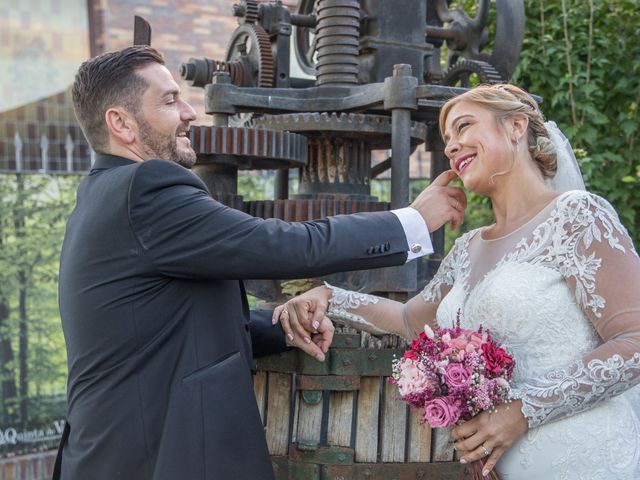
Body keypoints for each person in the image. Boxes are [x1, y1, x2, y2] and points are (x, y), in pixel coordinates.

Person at [55, 45, 466, 480]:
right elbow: (286, 246)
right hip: (155, 459)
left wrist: (283, 324)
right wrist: (413, 222)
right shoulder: (145, 188)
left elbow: (169, 327)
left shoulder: (102, 195)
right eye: (169, 100)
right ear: (120, 123)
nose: (190, 113)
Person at [276, 84, 640, 479]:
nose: (451, 147)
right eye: (447, 139)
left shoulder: (576, 216)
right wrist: (328, 296)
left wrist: (522, 411)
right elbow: (410, 321)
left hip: (584, 459)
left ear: (516, 126)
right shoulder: (468, 246)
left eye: (464, 127)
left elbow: (635, 341)